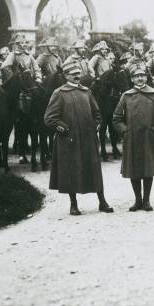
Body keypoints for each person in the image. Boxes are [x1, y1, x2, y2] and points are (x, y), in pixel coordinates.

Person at [44, 60, 114, 215]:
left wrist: (96, 125)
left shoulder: (87, 91)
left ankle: (102, 202)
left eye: (78, 73)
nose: (76, 76)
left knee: (94, 169)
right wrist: (65, 130)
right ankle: (73, 205)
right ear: (66, 76)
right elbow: (49, 118)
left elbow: (97, 113)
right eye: (72, 74)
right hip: (69, 139)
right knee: (71, 171)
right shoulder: (59, 93)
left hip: (88, 138)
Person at [112, 62, 154, 212]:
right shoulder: (126, 96)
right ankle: (137, 200)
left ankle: (146, 201)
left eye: (142, 75)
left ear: (146, 77)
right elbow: (116, 118)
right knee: (134, 170)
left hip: (149, 138)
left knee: (148, 169)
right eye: (136, 76)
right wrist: (125, 131)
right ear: (132, 79)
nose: (139, 78)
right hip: (131, 139)